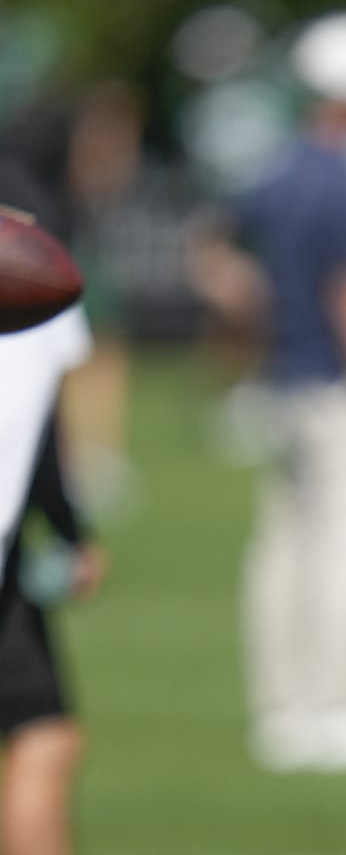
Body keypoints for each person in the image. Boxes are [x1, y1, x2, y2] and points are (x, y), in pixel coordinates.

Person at [196, 10, 346, 774]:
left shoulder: (277, 170)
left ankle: (285, 712)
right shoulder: (342, 182)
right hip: (338, 389)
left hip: (283, 382)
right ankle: (341, 709)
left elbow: (208, 251)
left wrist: (254, 315)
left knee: (284, 551)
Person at [0, 159, 103, 855]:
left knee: (46, 735)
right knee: (44, 738)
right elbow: (32, 415)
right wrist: (71, 531)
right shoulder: (24, 203)